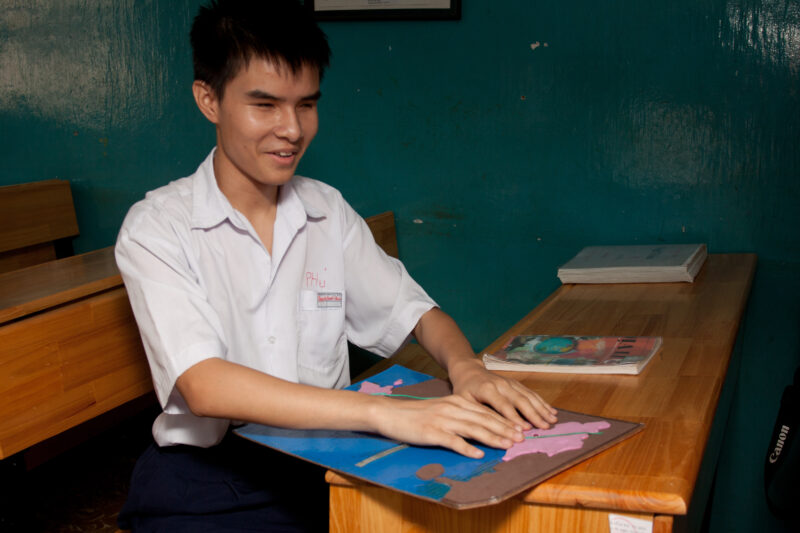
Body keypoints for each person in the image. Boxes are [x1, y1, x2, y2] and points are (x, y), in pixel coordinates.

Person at [115, 0, 557, 530]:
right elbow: (207, 387)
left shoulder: (327, 210)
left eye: (306, 105)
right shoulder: (157, 226)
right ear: (208, 99)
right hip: (207, 479)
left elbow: (418, 314)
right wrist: (385, 414)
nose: (292, 129)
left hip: (325, 458)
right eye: (265, 105)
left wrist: (465, 369)